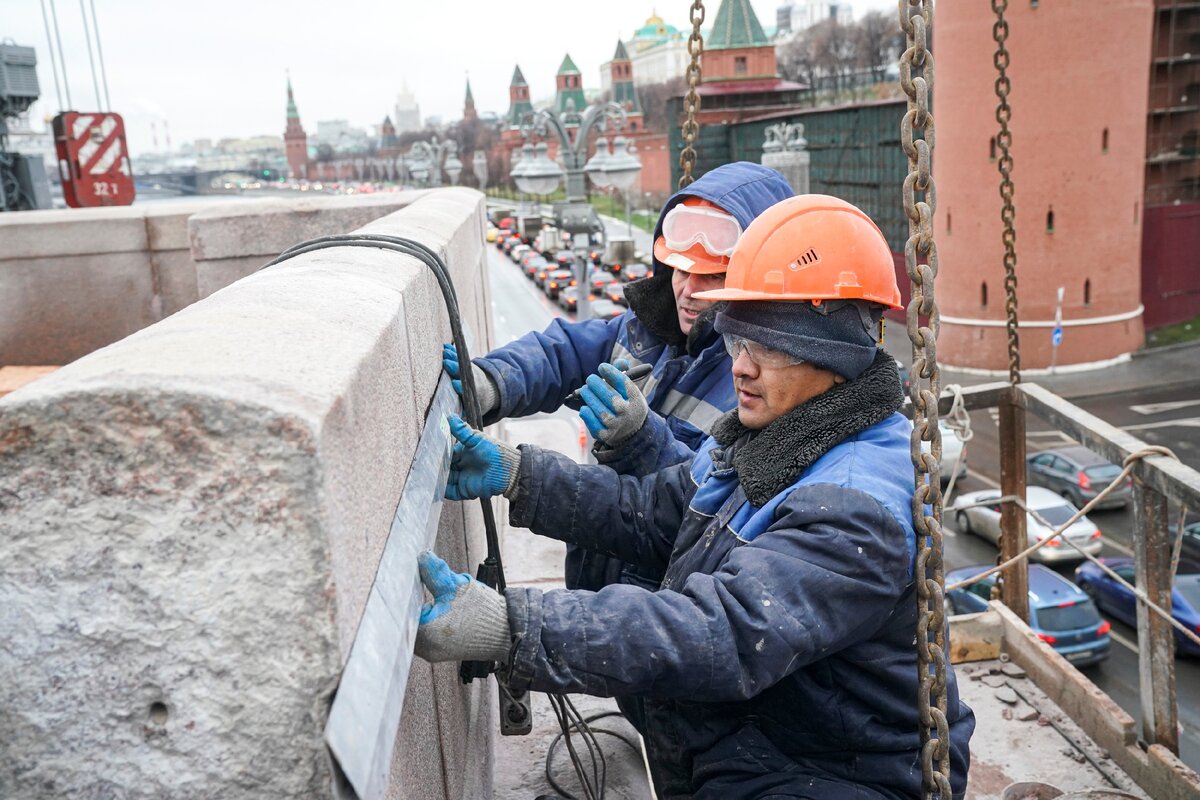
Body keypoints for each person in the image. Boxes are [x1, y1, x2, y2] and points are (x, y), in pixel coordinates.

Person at [417, 194, 975, 799]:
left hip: (837, 775)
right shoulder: (771, 434)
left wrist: (514, 627)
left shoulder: (852, 505)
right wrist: (519, 475)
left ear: (834, 352)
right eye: (738, 342)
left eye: (769, 347)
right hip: (769, 738)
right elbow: (657, 510)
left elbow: (724, 631)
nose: (741, 368)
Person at [446, 162, 792, 590]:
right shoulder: (643, 331)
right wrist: (492, 382)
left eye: (711, 276)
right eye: (681, 270)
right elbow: (563, 353)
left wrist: (641, 439)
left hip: (659, 596)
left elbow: (707, 506)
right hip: (598, 573)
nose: (688, 289)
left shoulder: (760, 380)